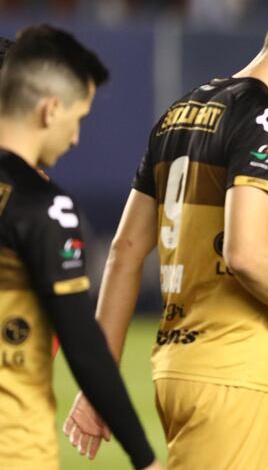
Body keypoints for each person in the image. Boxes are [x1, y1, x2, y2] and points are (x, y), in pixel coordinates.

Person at [64, 0, 268, 469]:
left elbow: (124, 252)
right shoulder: (265, 119)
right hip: (227, 371)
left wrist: (98, 384)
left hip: (175, 368)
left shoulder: (180, 113)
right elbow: (245, 253)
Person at [0, 25, 162, 470]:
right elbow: (82, 343)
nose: (75, 139)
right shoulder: (44, 208)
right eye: (78, 118)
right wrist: (144, 457)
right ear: (48, 108)